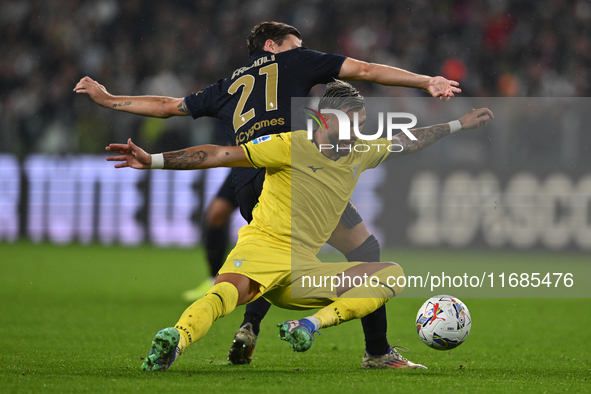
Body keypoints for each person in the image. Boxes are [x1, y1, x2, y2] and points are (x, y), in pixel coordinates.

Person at [74, 21, 461, 367]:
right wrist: (426, 80)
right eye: (296, 42)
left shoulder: (225, 87)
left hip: (248, 179)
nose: (301, 47)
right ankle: (377, 351)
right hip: (296, 168)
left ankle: (247, 325)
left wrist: (108, 99)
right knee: (365, 252)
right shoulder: (295, 61)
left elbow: (166, 106)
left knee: (269, 255)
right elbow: (365, 70)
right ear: (274, 46)